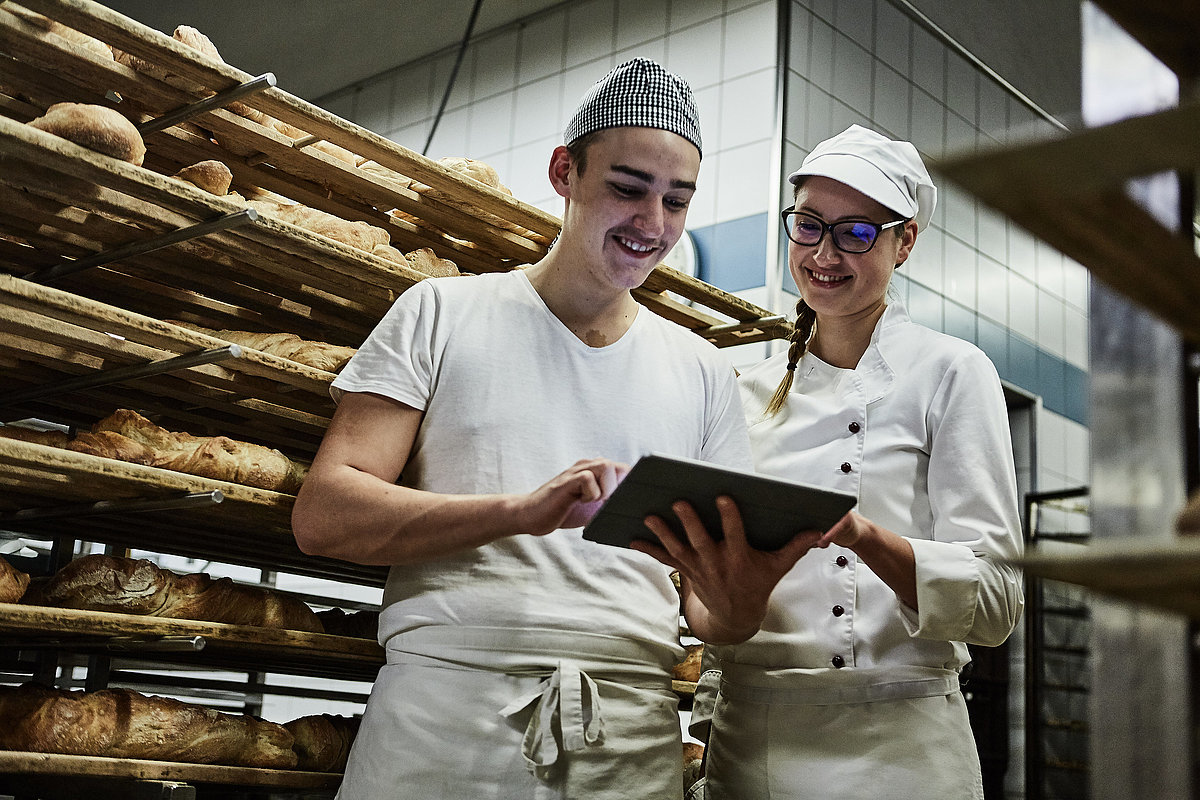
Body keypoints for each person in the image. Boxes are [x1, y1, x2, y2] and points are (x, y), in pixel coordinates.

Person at [291, 58, 814, 800]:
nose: (652, 224)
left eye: (677, 201)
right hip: (446, 716)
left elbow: (708, 614)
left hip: (626, 736)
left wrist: (744, 594)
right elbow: (324, 515)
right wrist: (518, 513)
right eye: (628, 189)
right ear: (564, 171)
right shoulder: (440, 312)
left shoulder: (701, 370)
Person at [637, 125, 1025, 800]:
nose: (824, 252)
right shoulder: (743, 393)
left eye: (857, 233)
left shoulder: (951, 373)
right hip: (755, 743)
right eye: (809, 225)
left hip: (903, 746)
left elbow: (995, 605)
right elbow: (709, 597)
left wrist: (864, 536)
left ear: (904, 242)